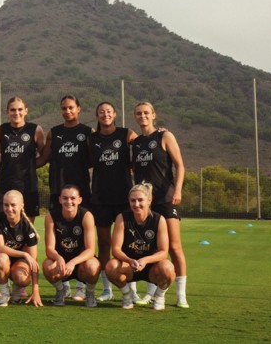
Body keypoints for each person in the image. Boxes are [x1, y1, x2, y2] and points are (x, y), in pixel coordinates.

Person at [132, 102, 188, 308]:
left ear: (154, 115)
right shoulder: (136, 142)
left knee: (174, 247)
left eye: (146, 112)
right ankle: (151, 292)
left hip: (166, 198)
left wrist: (178, 190)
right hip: (146, 204)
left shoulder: (165, 136)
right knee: (150, 248)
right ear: (135, 117)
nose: (142, 116)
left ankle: (181, 294)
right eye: (139, 113)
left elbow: (180, 165)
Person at [39, 94, 92, 300]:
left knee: (80, 235)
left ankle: (81, 285)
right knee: (62, 236)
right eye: (64, 108)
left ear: (78, 108)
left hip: (79, 193)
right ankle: (64, 285)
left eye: (71, 107)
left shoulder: (87, 132)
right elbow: (42, 158)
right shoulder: (54, 133)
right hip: (58, 191)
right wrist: (15, 159)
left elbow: (96, 156)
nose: (67, 111)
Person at [89, 101, 137, 301]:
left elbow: (145, 142)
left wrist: (160, 131)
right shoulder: (91, 139)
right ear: (97, 116)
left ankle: (132, 289)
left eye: (108, 111)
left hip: (123, 196)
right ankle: (106, 289)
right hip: (100, 196)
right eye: (101, 112)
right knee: (104, 243)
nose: (105, 114)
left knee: (127, 244)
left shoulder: (126, 134)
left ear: (115, 114)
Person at [105, 183, 175, 310]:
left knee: (168, 269)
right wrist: (129, 260)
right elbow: (115, 249)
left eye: (140, 200)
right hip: (129, 266)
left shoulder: (159, 220)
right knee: (111, 266)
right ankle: (127, 296)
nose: (136, 204)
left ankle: (159, 296)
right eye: (133, 201)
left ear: (149, 200)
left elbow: (164, 252)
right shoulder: (122, 218)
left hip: (151, 268)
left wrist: (145, 260)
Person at [43, 184, 100, 307]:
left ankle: (89, 293)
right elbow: (49, 249)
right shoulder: (51, 216)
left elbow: (90, 250)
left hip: (80, 263)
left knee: (93, 266)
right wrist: (58, 258)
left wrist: (73, 262)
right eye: (65, 198)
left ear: (79, 200)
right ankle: (60, 290)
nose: (69, 201)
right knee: (47, 265)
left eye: (73, 198)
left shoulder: (86, 216)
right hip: (62, 263)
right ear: (60, 199)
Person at [0, 189, 43, 307]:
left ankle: (16, 293)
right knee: (2, 258)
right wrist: (24, 254)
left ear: (22, 206)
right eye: (6, 205)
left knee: (23, 277)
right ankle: (5, 293)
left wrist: (35, 291)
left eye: (13, 205)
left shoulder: (27, 227)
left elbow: (33, 261)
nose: (9, 209)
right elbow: (0, 248)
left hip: (17, 265)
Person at [0, 97, 45, 221]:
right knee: (1, 224)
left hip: (28, 184)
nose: (17, 113)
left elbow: (44, 155)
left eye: (20, 109)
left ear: (26, 111)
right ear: (7, 112)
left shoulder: (35, 130)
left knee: (27, 226)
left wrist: (31, 165)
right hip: (4, 184)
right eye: (13, 110)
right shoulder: (1, 129)